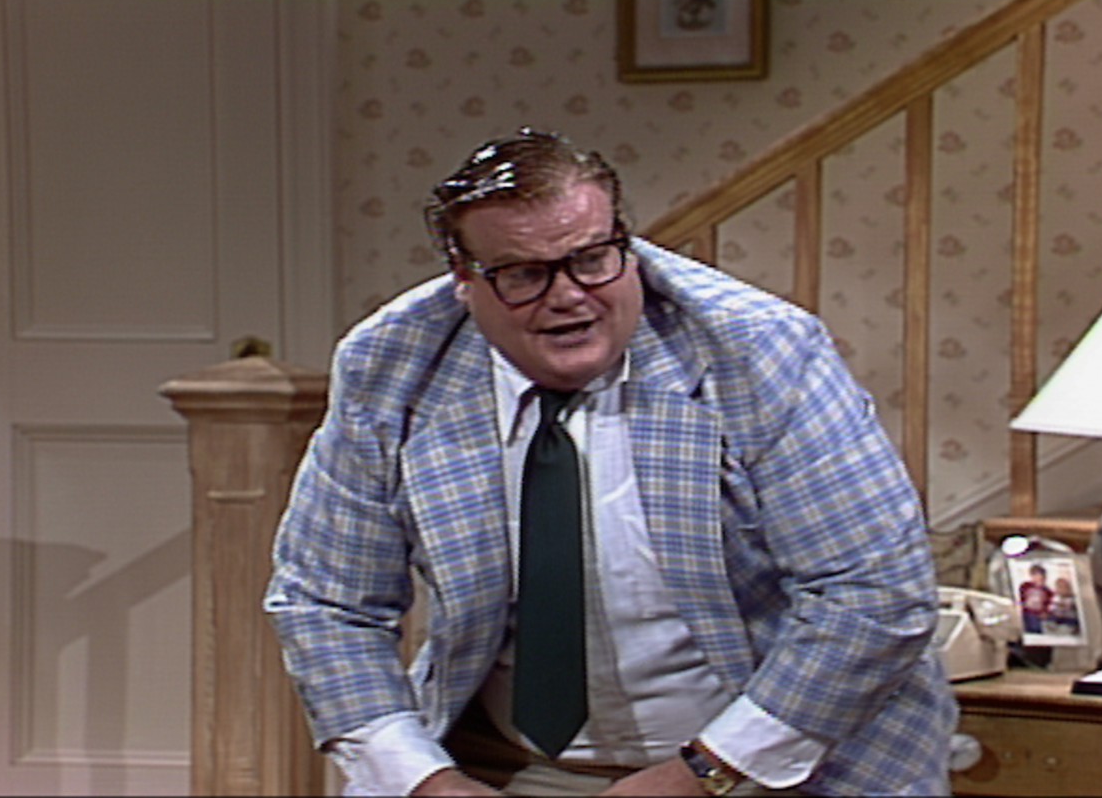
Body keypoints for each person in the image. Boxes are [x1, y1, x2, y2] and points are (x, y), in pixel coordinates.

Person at [264, 128, 958, 796]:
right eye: (525, 274)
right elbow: (326, 604)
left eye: (592, 259)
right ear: (464, 281)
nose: (569, 295)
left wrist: (700, 774)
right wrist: (427, 781)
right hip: (503, 761)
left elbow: (875, 594)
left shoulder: (759, 351)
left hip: (774, 762)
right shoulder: (392, 368)